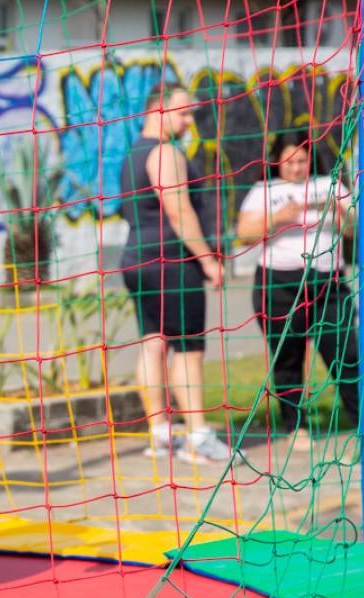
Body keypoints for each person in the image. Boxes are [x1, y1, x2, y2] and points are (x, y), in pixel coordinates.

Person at [120, 82, 236, 466]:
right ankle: (198, 438)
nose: (189, 120)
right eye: (183, 112)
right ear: (157, 111)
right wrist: (207, 259)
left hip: (138, 261)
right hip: (170, 264)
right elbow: (178, 209)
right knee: (189, 349)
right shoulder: (164, 151)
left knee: (153, 344)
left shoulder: (132, 153)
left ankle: (161, 436)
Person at [234, 132, 359, 445]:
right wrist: (276, 217)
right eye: (288, 161)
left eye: (302, 160)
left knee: (345, 354)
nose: (295, 167)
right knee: (287, 357)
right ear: (276, 161)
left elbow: (354, 228)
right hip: (279, 284)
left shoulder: (328, 184)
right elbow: (244, 234)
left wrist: (342, 212)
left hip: (328, 284)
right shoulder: (264, 190)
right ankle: (296, 427)